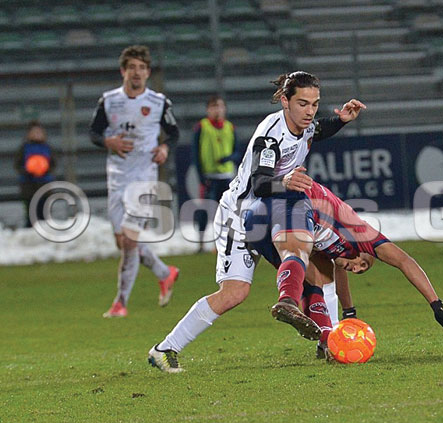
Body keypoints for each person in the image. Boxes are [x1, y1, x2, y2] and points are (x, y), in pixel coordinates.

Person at [148, 71, 365, 372]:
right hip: (239, 216)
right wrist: (286, 180)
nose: (310, 111)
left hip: (269, 210)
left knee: (313, 262)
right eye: (303, 103)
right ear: (285, 101)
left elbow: (316, 130)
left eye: (315, 104)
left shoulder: (303, 124)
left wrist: (340, 120)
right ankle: (165, 348)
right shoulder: (271, 136)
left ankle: (327, 338)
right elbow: (261, 183)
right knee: (235, 293)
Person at [248, 180, 443, 359]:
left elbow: (339, 271)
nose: (357, 268)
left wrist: (349, 311)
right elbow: (404, 261)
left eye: (361, 271)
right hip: (290, 199)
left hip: (256, 222)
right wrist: (436, 304)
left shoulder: (340, 254)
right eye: (363, 263)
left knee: (313, 278)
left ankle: (326, 341)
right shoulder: (363, 235)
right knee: (301, 259)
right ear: (367, 251)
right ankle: (288, 302)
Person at [89, 45, 181, 318]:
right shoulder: (108, 101)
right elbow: (93, 132)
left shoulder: (158, 102)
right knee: (123, 241)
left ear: (148, 72)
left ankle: (120, 303)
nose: (137, 73)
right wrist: (108, 141)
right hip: (117, 177)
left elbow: (174, 133)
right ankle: (165, 272)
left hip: (144, 178)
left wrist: (164, 148)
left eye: (142, 68)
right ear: (123, 71)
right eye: (132, 67)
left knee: (129, 241)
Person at [192, 96, 243, 250]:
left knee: (228, 211)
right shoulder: (202, 127)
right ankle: (201, 243)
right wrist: (201, 176)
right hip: (209, 176)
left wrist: (228, 158)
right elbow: (195, 153)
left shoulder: (230, 127)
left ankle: (224, 242)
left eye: (220, 106)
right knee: (205, 210)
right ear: (208, 109)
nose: (217, 110)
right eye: (214, 107)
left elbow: (237, 152)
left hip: (227, 176)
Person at [14, 121, 55, 227]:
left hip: (44, 185)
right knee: (31, 214)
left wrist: (45, 170)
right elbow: (17, 165)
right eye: (34, 132)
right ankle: (31, 235)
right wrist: (27, 172)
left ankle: (45, 236)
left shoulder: (47, 148)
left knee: (44, 213)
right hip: (28, 187)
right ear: (29, 134)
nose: (37, 134)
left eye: (39, 132)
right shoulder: (24, 148)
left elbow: (53, 164)